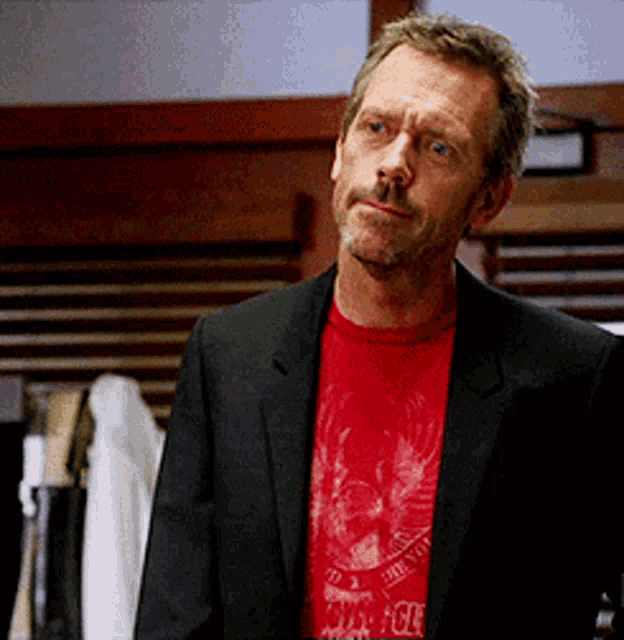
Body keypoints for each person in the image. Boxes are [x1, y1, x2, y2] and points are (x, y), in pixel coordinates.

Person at [135, 11, 624, 640]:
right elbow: (174, 618)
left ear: (489, 198)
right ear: (340, 152)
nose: (394, 164)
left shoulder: (575, 376)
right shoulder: (229, 357)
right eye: (377, 128)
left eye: (438, 147)